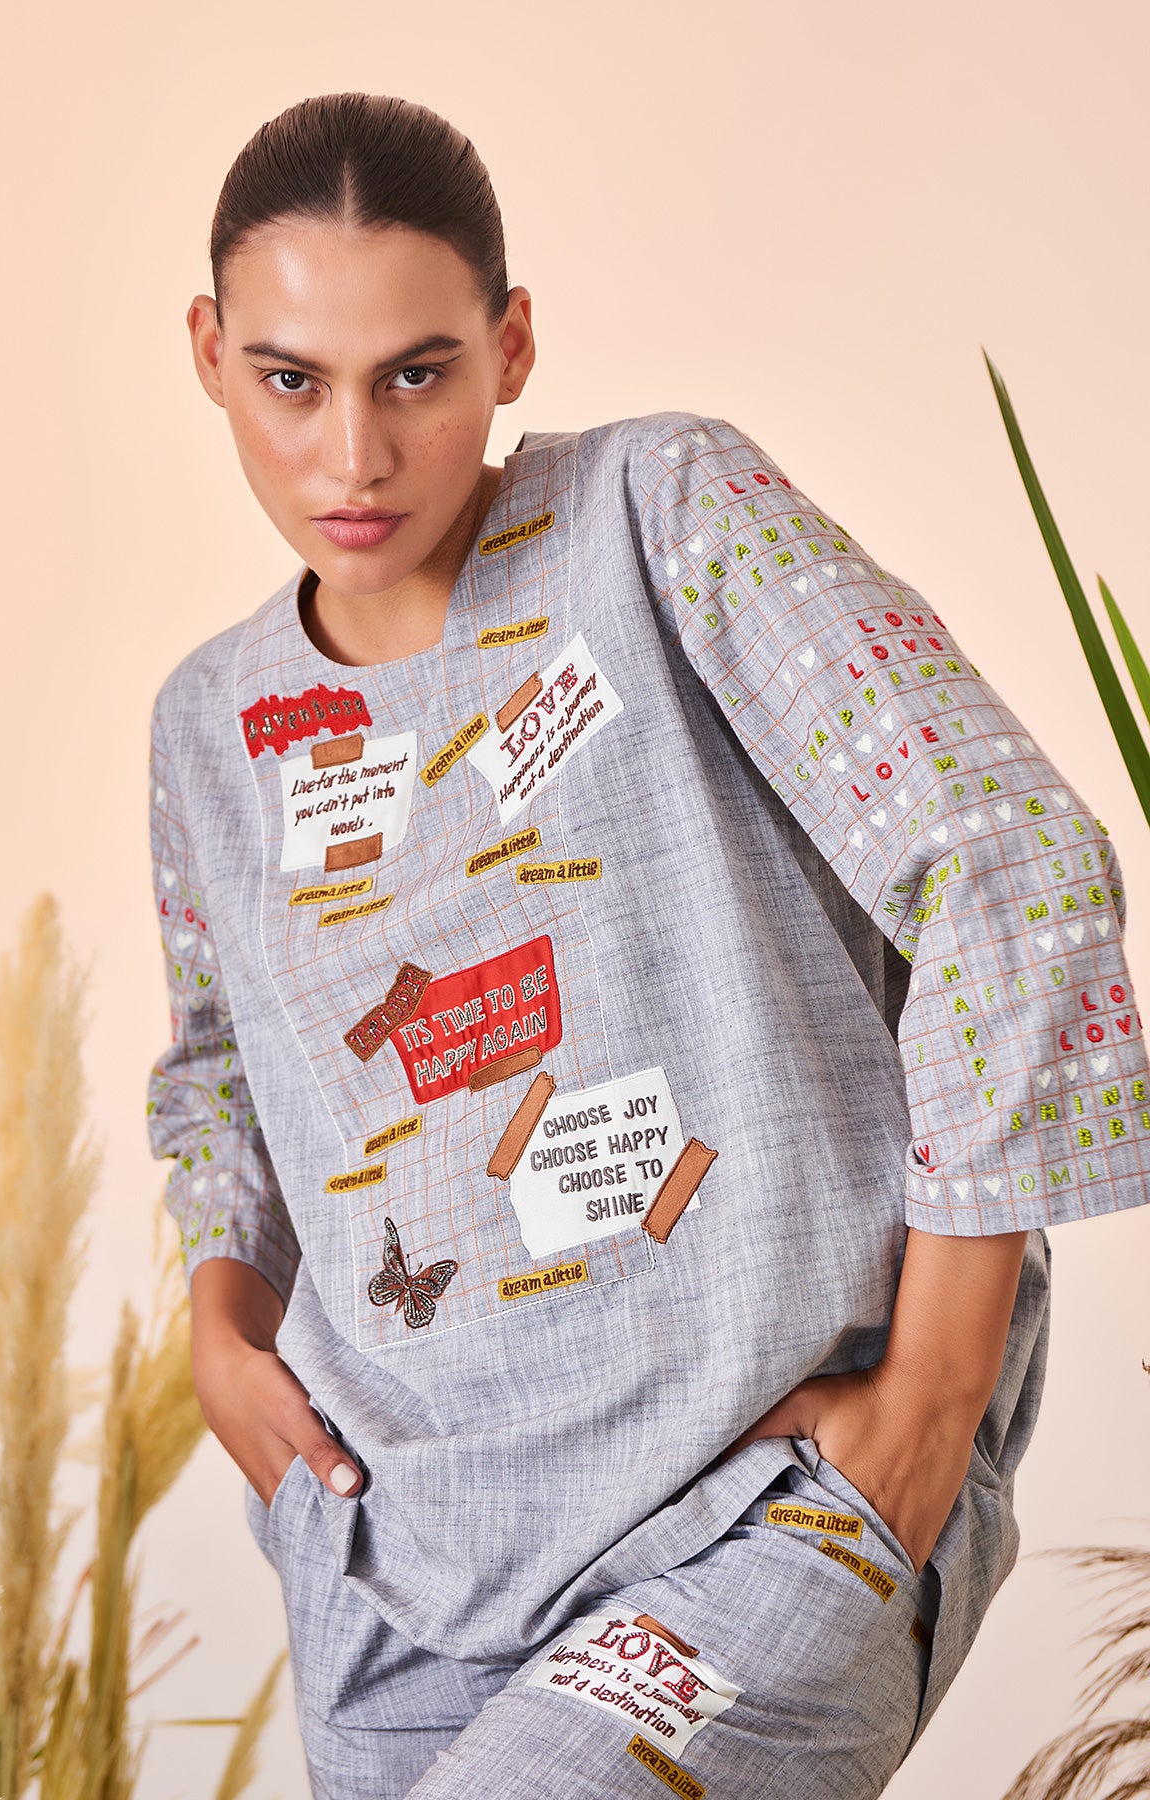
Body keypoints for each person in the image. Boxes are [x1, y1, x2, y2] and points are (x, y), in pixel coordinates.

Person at [145, 91, 1150, 1800]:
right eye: (290, 380)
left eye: (416, 373)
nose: (354, 458)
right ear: (208, 355)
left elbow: (1009, 858)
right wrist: (220, 1333)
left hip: (750, 1503)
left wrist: (936, 1390)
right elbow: (222, 1074)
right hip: (397, 1563)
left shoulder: (657, 514)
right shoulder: (210, 725)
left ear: (512, 346)